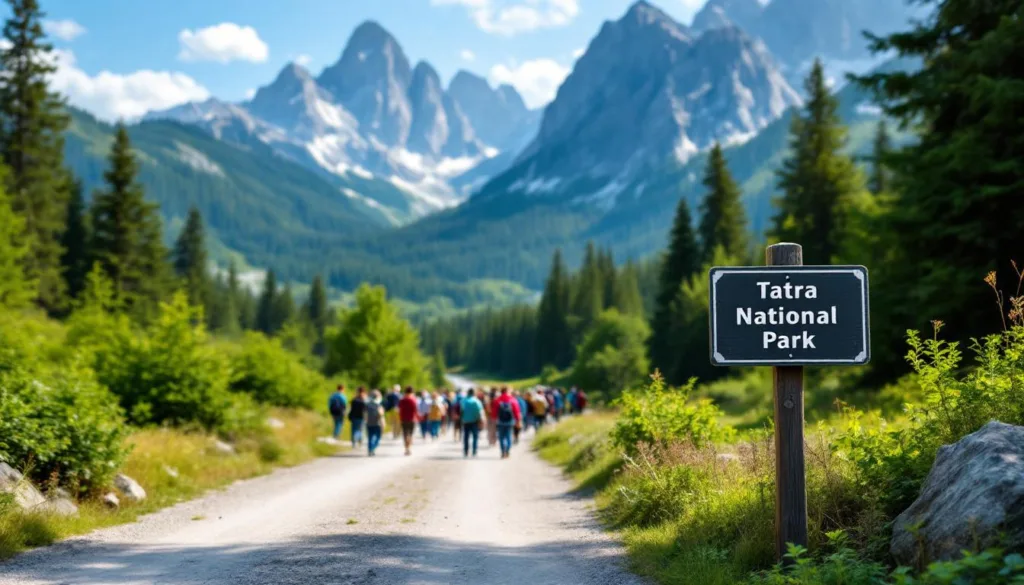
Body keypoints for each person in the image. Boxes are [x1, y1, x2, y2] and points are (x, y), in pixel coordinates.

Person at [491, 386, 522, 459]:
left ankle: (502, 451)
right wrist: (518, 421)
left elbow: (494, 412)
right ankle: (507, 450)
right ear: (508, 391)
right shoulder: (513, 400)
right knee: (508, 436)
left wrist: (494, 420)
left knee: (501, 437)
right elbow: (517, 412)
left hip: (500, 421)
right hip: (510, 421)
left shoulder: (497, 400)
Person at [459, 388, 484, 457]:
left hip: (466, 421)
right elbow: (480, 412)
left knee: (466, 437)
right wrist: (481, 421)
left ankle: (466, 451)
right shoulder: (477, 401)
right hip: (475, 421)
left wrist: (461, 419)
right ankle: (474, 450)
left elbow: (461, 410)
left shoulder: (463, 401)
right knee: (475, 437)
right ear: (474, 393)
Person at [398, 386, 419, 456]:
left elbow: (400, 410)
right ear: (412, 392)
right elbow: (416, 410)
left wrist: (400, 418)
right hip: (412, 419)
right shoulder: (413, 400)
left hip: (404, 419)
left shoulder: (402, 400)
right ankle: (409, 448)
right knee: (410, 434)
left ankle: (406, 448)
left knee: (405, 434)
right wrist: (418, 417)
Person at [365, 390, 385, 456]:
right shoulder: (379, 405)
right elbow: (381, 414)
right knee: (377, 437)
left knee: (370, 436)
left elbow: (365, 414)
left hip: (369, 423)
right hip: (377, 423)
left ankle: (370, 449)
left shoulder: (367, 404)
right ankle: (372, 448)